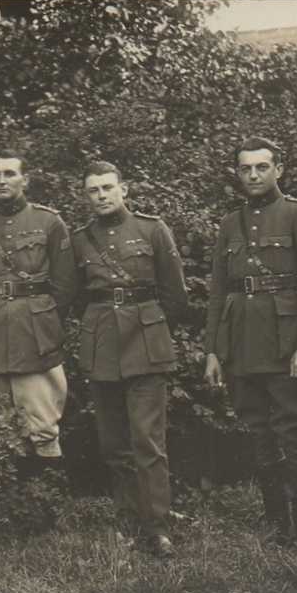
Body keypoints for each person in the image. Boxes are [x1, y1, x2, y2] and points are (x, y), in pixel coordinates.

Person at [203, 136, 297, 566]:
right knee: (260, 433)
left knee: (292, 434)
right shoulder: (229, 224)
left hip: (285, 345)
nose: (254, 175)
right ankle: (280, 531)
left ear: (279, 169)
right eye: (246, 168)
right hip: (241, 345)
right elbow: (219, 294)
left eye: (262, 167)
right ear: (237, 174)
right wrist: (213, 352)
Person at [72, 162, 187, 557]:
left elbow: (176, 296)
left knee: (148, 440)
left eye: (107, 187)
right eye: (93, 190)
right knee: (113, 440)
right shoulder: (80, 240)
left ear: (124, 188)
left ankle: (158, 528)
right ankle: (127, 520)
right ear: (85, 196)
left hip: (146, 342)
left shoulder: (153, 229)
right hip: (101, 342)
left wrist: (149, 326)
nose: (102, 196)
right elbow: (75, 297)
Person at [0, 150, 77, 465]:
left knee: (42, 423)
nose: (2, 180)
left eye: (9, 174)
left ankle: (48, 502)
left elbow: (65, 286)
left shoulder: (49, 222)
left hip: (34, 333)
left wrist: (44, 321)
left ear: (24, 180)